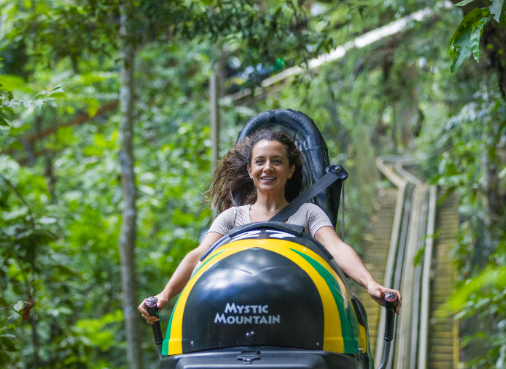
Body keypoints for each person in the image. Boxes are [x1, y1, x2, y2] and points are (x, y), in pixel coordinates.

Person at [138, 128, 401, 325]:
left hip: (299, 313)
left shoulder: (308, 213)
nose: (268, 168)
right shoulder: (232, 218)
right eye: (260, 161)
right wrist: (165, 295)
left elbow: (336, 248)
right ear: (250, 170)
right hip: (238, 314)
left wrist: (371, 284)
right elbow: (200, 254)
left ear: (290, 170)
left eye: (277, 161)